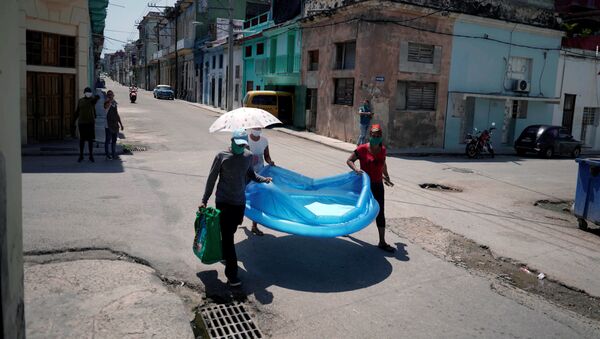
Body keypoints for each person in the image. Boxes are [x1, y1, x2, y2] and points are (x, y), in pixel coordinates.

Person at [200, 128, 272, 286]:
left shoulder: (248, 156)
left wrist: (263, 179)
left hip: (239, 203)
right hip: (224, 202)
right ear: (232, 141)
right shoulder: (221, 156)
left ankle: (225, 254)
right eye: (238, 144)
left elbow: (251, 174)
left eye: (244, 144)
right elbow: (212, 179)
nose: (242, 147)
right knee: (228, 237)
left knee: (230, 232)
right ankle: (232, 275)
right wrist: (205, 200)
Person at [346, 124, 395, 252]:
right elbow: (349, 160)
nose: (376, 137)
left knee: (380, 211)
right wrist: (356, 168)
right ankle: (347, 229)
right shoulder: (362, 149)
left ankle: (382, 242)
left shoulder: (383, 149)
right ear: (370, 136)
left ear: (381, 136)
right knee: (358, 209)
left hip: (378, 184)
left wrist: (387, 176)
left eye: (378, 136)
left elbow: (383, 164)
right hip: (364, 185)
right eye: (374, 135)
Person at [247, 128, 275, 236]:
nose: (257, 129)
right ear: (251, 128)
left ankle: (254, 226)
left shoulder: (264, 141)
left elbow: (266, 156)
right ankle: (240, 214)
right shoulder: (245, 139)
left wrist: (270, 162)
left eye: (259, 128)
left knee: (257, 199)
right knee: (243, 196)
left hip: (260, 173)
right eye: (255, 127)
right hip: (246, 172)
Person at [73, 87, 99, 162]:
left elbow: (96, 99)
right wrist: (73, 122)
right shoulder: (80, 101)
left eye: (89, 92)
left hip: (90, 123)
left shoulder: (92, 100)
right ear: (84, 93)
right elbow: (77, 112)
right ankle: (81, 155)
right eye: (87, 92)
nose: (88, 93)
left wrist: (96, 97)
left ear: (91, 93)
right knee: (82, 140)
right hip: (82, 123)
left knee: (90, 140)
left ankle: (91, 155)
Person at [103, 90, 124, 160]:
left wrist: (121, 124)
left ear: (113, 95)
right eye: (108, 95)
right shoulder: (106, 103)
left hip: (115, 125)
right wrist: (109, 100)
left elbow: (117, 114)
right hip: (108, 125)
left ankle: (113, 154)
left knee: (114, 141)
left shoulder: (114, 103)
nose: (110, 96)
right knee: (108, 140)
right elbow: (106, 106)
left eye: (111, 95)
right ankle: (107, 154)